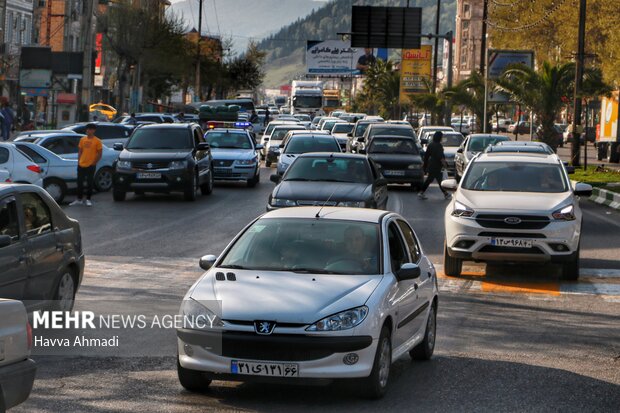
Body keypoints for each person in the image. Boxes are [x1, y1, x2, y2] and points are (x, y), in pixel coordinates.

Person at [69, 123, 103, 207]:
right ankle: (79, 199)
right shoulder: (82, 139)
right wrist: (79, 161)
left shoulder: (97, 141)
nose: (88, 131)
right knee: (79, 182)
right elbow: (80, 151)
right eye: (87, 129)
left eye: (90, 129)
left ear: (94, 130)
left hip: (91, 165)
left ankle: (88, 199)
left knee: (89, 182)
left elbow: (99, 153)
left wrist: (94, 163)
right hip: (81, 164)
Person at [419, 131, 450, 200]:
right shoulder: (438, 146)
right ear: (439, 137)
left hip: (431, 165)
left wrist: (425, 166)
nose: (442, 138)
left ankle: (421, 192)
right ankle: (446, 194)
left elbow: (426, 156)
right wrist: (445, 165)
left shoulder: (431, 144)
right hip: (436, 166)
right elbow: (441, 157)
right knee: (439, 181)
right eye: (442, 137)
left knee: (431, 180)